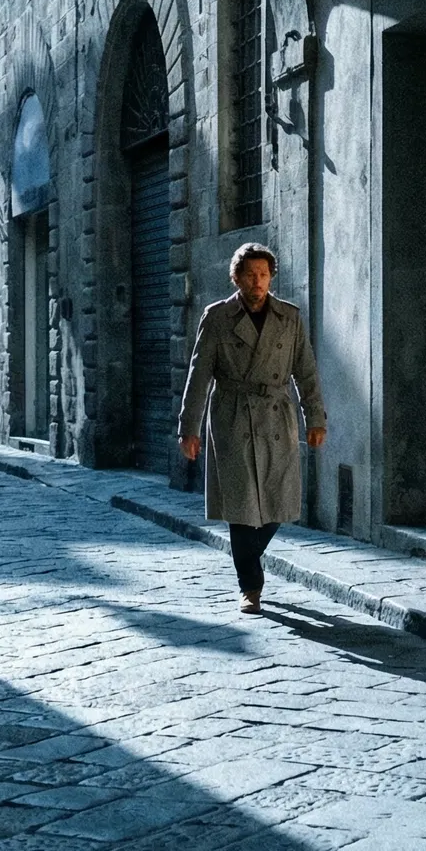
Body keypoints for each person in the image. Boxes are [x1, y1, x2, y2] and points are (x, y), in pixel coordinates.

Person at [178, 243, 327, 613]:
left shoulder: (290, 317)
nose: (257, 281)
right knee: (241, 504)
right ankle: (251, 587)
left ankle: (249, 560)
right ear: (236, 277)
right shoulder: (217, 317)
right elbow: (199, 376)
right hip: (233, 417)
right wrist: (188, 427)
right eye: (249, 274)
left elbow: (305, 371)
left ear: (271, 277)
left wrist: (316, 418)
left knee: (279, 500)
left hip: (277, 415)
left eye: (263, 274)